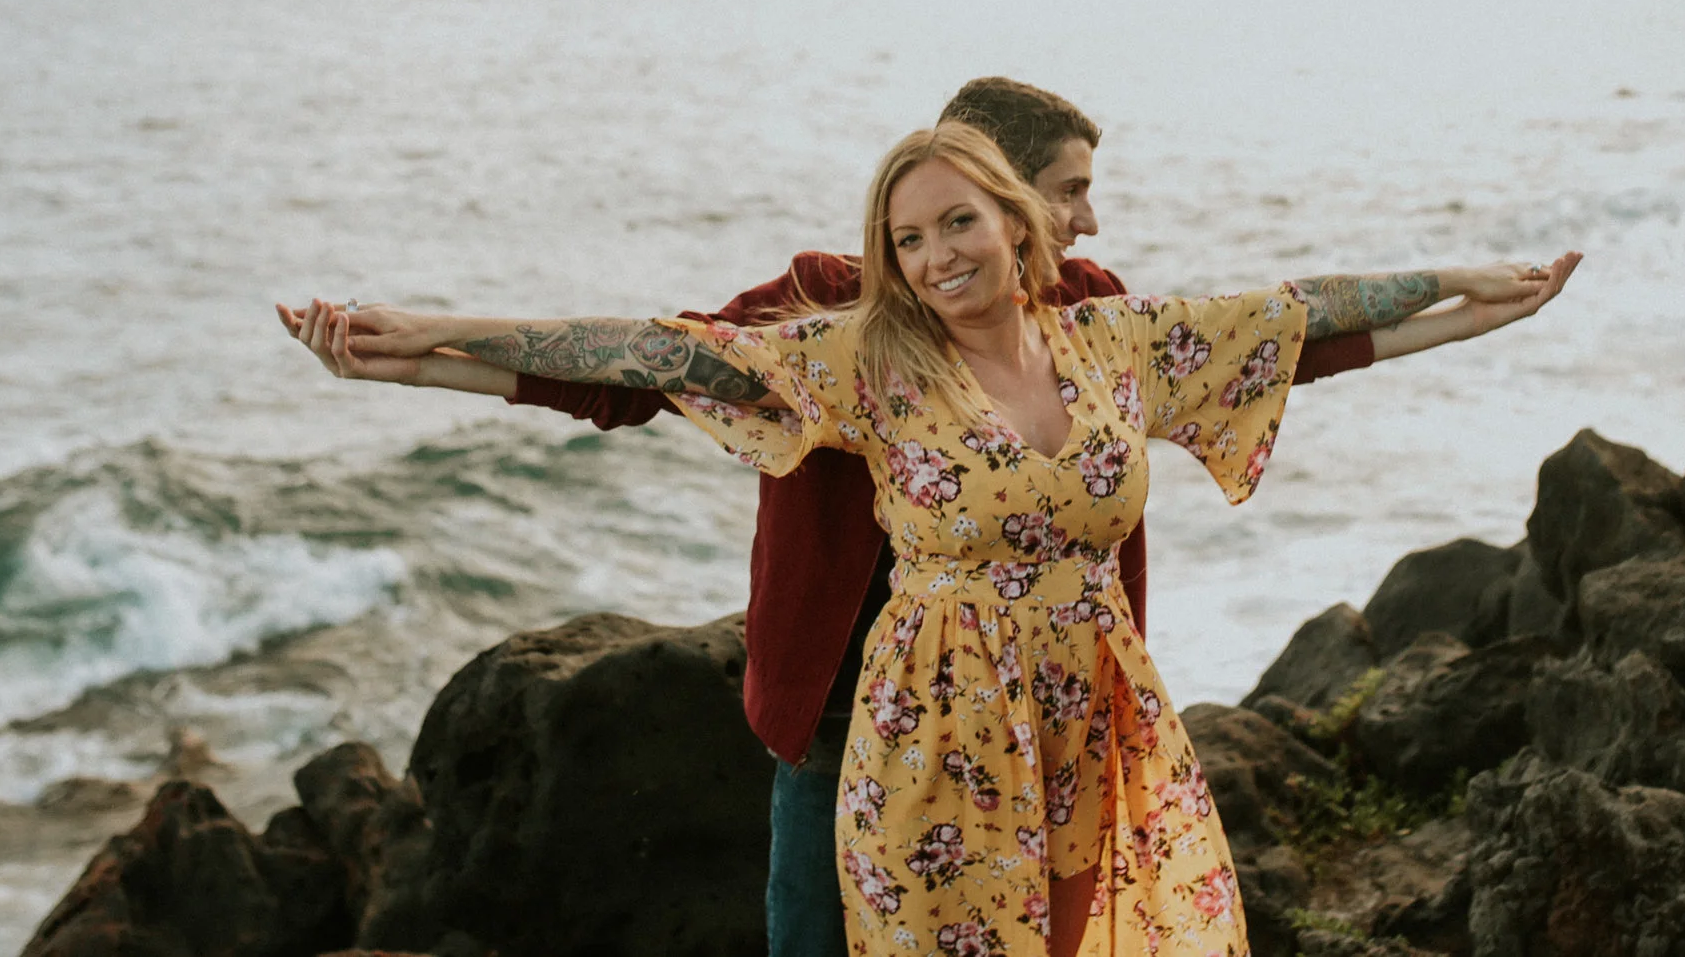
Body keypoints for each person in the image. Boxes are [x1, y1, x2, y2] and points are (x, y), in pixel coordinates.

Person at [285, 120, 1579, 957]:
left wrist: (1479, 292)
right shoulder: (866, 360)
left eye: (959, 219)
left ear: (1018, 220)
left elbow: (1307, 322)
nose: (938, 251)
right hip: (930, 733)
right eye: (908, 237)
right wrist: (425, 342)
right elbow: (648, 354)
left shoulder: (1116, 339)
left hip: (1090, 710)